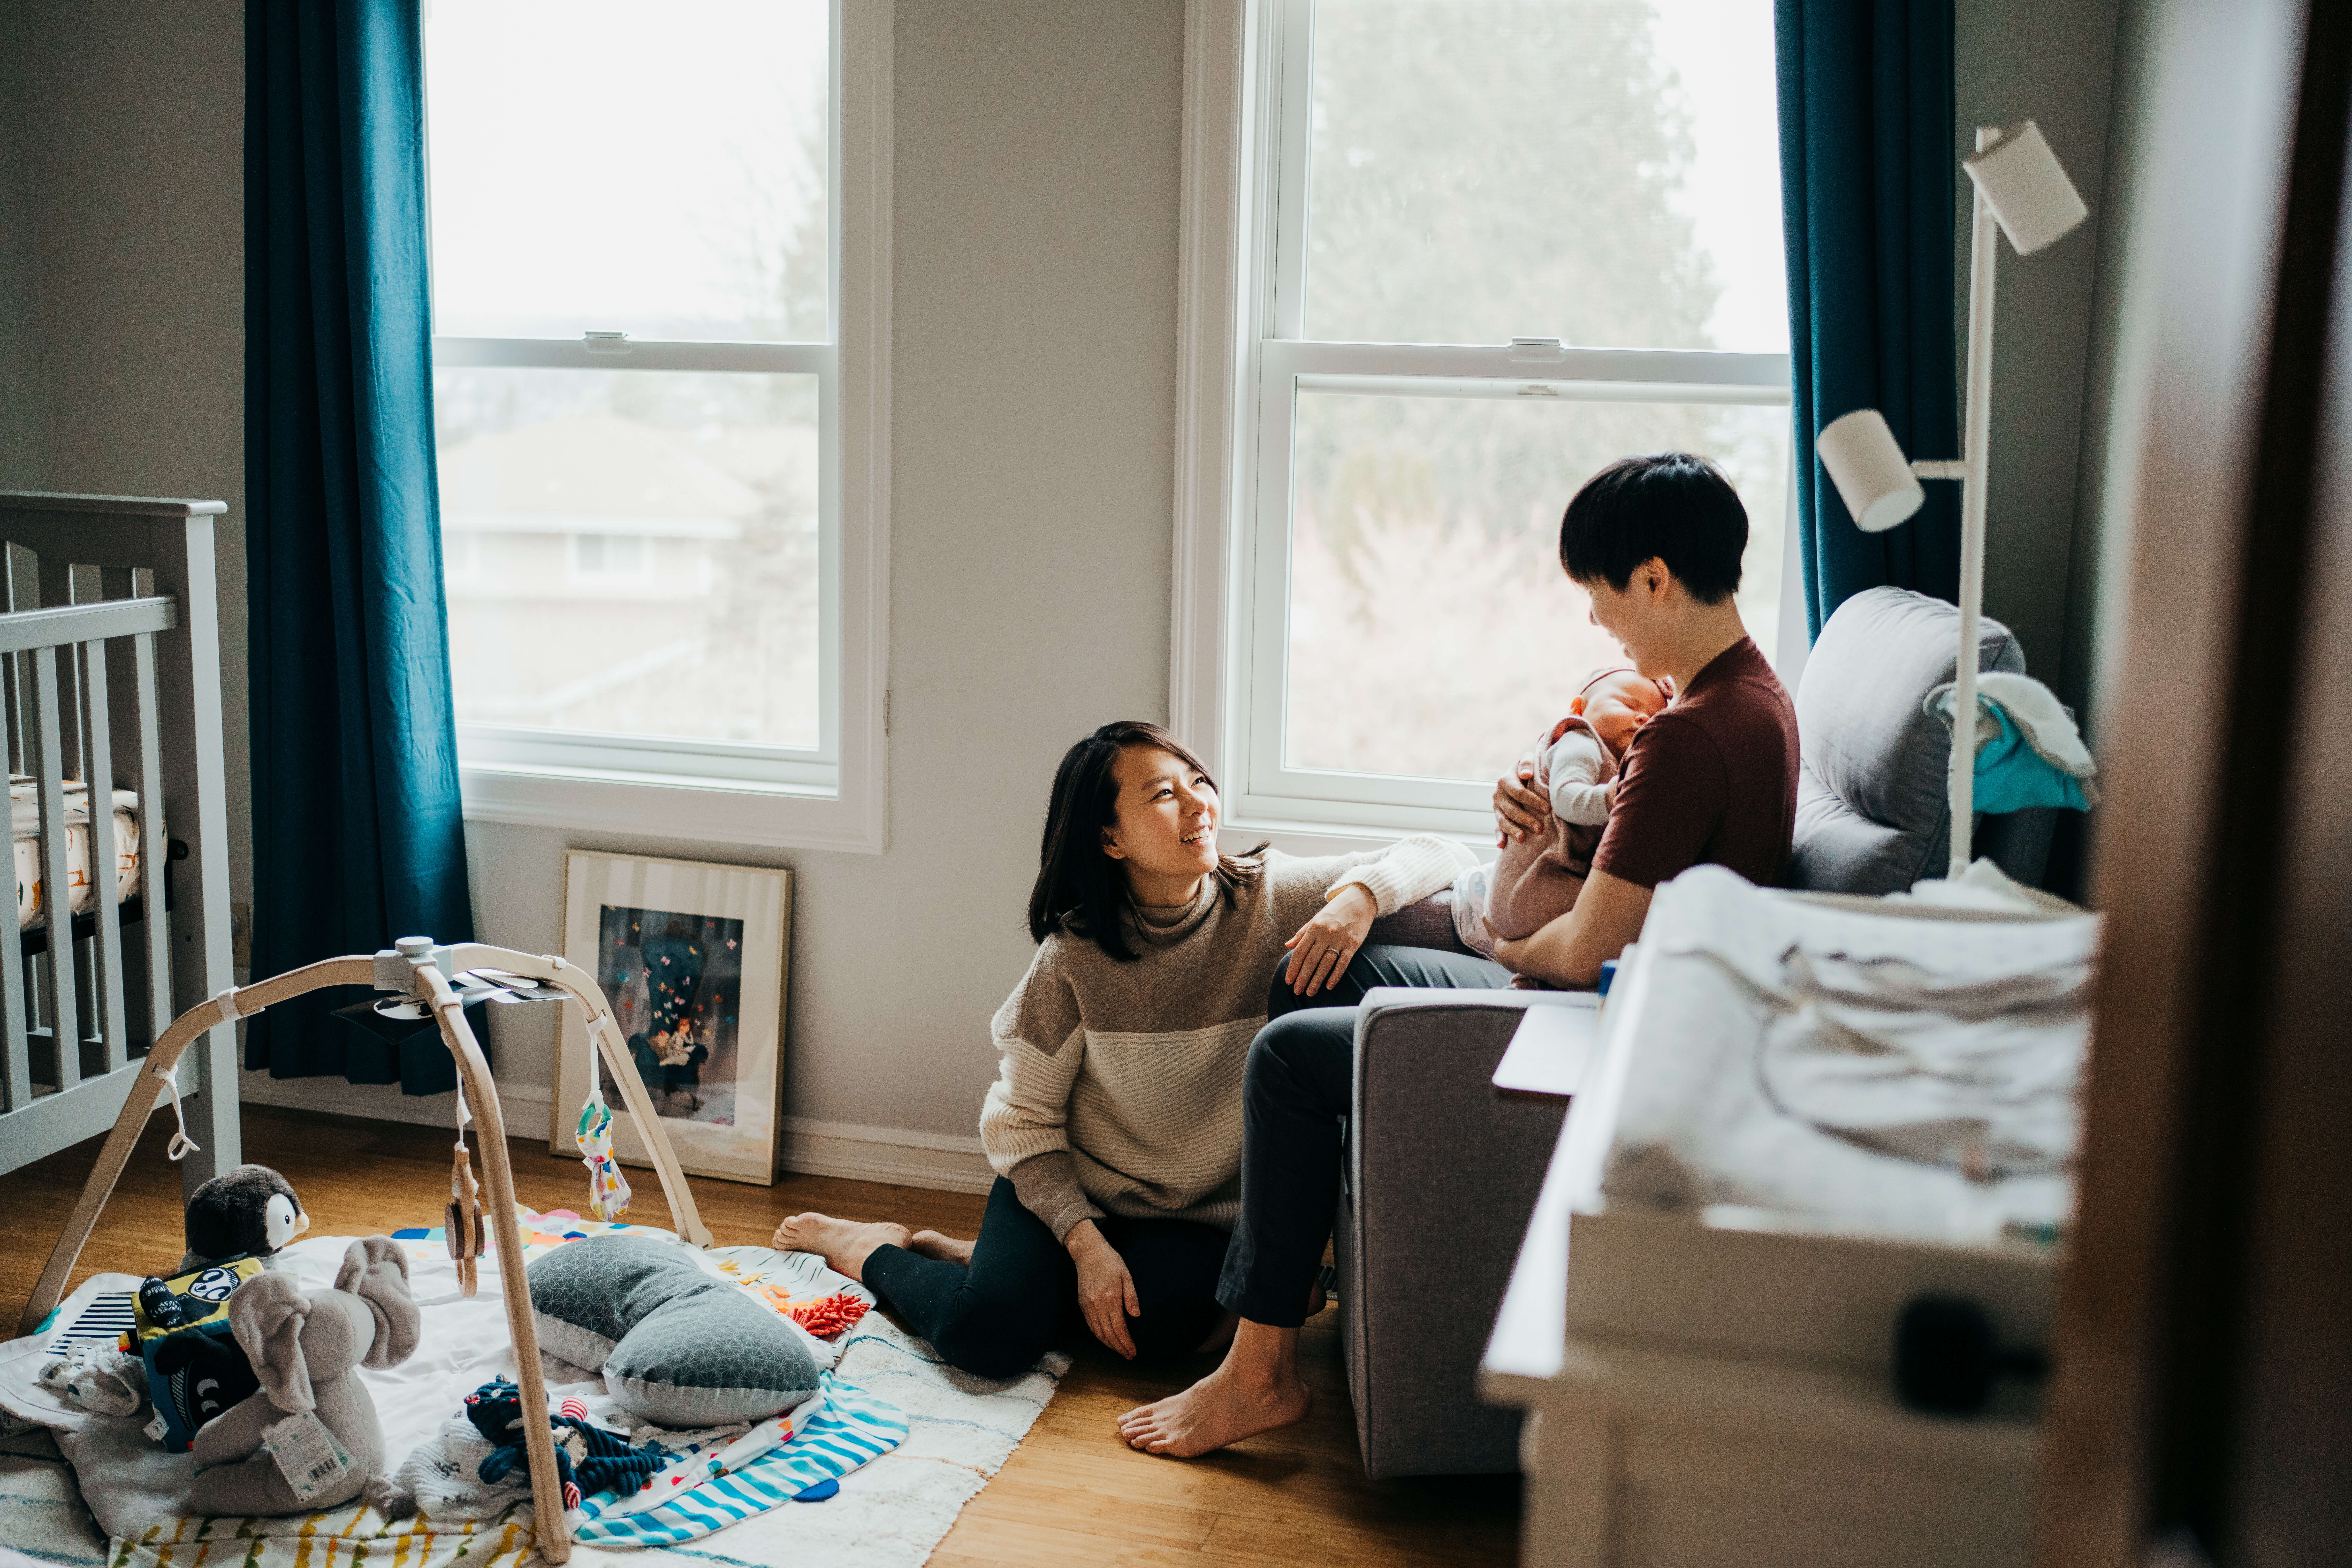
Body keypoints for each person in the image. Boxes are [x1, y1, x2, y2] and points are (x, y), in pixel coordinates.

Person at [1116, 451, 1800, 1458]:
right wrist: (1533, 826)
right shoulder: (1755, 696)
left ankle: (1257, 1371)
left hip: (1588, 1017)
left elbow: (1586, 946)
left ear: (1654, 577)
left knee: (1287, 1055)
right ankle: (1281, 1278)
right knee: (1316, 964)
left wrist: (1505, 926)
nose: (1595, 620)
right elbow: (1619, 859)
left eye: (1600, 593)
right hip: (1608, 989)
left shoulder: (1690, 737)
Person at [770, 720, 1479, 1379]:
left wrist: (1358, 897)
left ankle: (995, 1265)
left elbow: (1451, 852)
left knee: (1166, 1340)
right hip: (1071, 1191)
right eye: (1164, 795)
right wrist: (1083, 1242)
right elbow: (1021, 1125)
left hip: (1193, 1218)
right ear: (1110, 838)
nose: (1198, 804)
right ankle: (870, 1250)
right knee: (985, 1336)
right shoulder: (1071, 960)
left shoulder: (1271, 899)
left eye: (1198, 782)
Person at [1450, 666, 1673, 957]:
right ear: (1579, 709)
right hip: (1530, 895)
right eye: (1627, 705)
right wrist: (1613, 796)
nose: (1643, 718)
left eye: (1654, 718)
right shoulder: (1581, 741)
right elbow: (1568, 799)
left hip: (1518, 903)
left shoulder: (1617, 762)